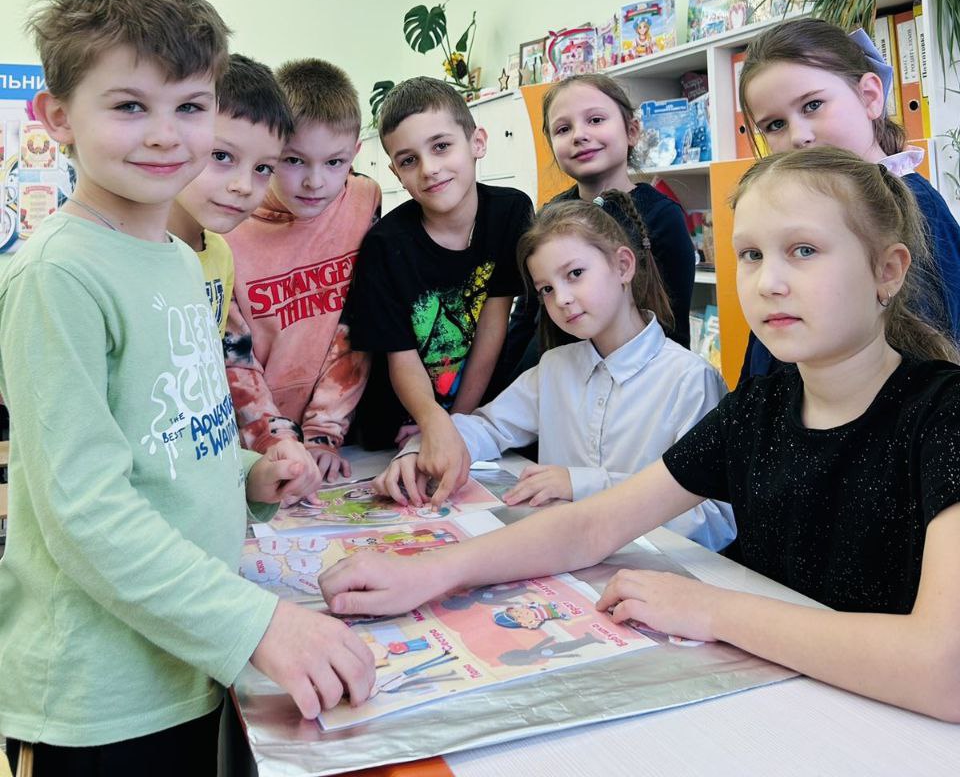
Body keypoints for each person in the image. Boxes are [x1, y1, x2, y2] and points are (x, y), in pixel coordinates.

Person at [321, 147, 960, 723]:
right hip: (785, 700)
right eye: (751, 255)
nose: (768, 282)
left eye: (804, 251)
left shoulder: (945, 412)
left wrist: (711, 609)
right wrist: (433, 572)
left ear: (888, 271)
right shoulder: (759, 408)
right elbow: (593, 525)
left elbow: (944, 670)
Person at [0, 0, 374, 774]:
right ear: (58, 118)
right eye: (131, 106)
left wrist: (247, 473)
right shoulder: (58, 276)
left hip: (186, 652)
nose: (168, 136)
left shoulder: (178, 258)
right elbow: (86, 512)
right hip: (101, 692)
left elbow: (170, 433)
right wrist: (258, 624)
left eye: (191, 107)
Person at [377, 192, 734, 550]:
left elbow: (714, 519)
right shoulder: (554, 368)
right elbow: (487, 427)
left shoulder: (690, 379)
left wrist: (580, 484)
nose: (561, 299)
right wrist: (422, 448)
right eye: (546, 289)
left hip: (655, 571)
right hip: (559, 562)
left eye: (575, 274)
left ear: (623, 266)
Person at [738, 17, 960, 378]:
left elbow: (936, 356)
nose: (798, 137)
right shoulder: (793, 214)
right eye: (775, 125)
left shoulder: (919, 209)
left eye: (812, 105)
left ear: (869, 96)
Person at [349, 77, 533, 504]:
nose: (429, 168)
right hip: (393, 427)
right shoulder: (385, 244)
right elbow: (400, 356)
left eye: (441, 146)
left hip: (472, 417)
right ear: (396, 173)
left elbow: (492, 327)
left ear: (477, 143)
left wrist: (456, 426)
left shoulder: (510, 211)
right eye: (409, 160)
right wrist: (432, 422)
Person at [224, 59, 380, 485]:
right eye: (293, 160)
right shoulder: (227, 224)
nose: (316, 182)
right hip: (251, 445)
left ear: (355, 154)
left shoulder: (363, 202)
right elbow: (234, 358)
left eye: (335, 162)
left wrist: (324, 433)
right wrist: (273, 440)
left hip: (339, 436)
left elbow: (353, 325)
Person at [500, 74, 696, 387]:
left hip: (628, 385)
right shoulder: (548, 216)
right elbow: (525, 317)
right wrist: (500, 391)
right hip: (552, 378)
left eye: (595, 120)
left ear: (631, 131)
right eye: (563, 129)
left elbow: (673, 326)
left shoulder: (662, 216)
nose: (579, 135)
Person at [167, 53, 294, 334]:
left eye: (263, 168)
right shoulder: (119, 256)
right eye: (222, 156)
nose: (244, 186)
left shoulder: (220, 254)